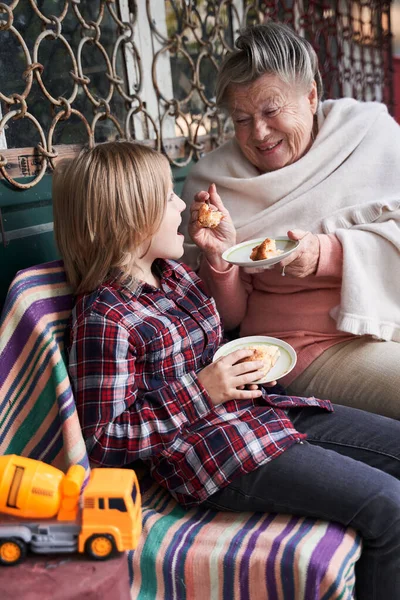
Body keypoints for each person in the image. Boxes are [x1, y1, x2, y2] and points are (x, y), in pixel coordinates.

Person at [51, 140, 400, 598]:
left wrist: (218, 256)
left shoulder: (171, 274)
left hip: (259, 410)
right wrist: (203, 390)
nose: (181, 204)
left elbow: (218, 333)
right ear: (129, 215)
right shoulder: (104, 317)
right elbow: (104, 440)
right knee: (390, 508)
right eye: (167, 197)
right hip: (216, 454)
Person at [182, 21, 400, 419]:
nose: (259, 133)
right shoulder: (214, 183)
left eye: (271, 110)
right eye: (242, 119)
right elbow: (229, 319)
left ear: (312, 96)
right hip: (303, 345)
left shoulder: (369, 134)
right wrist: (218, 260)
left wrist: (323, 254)